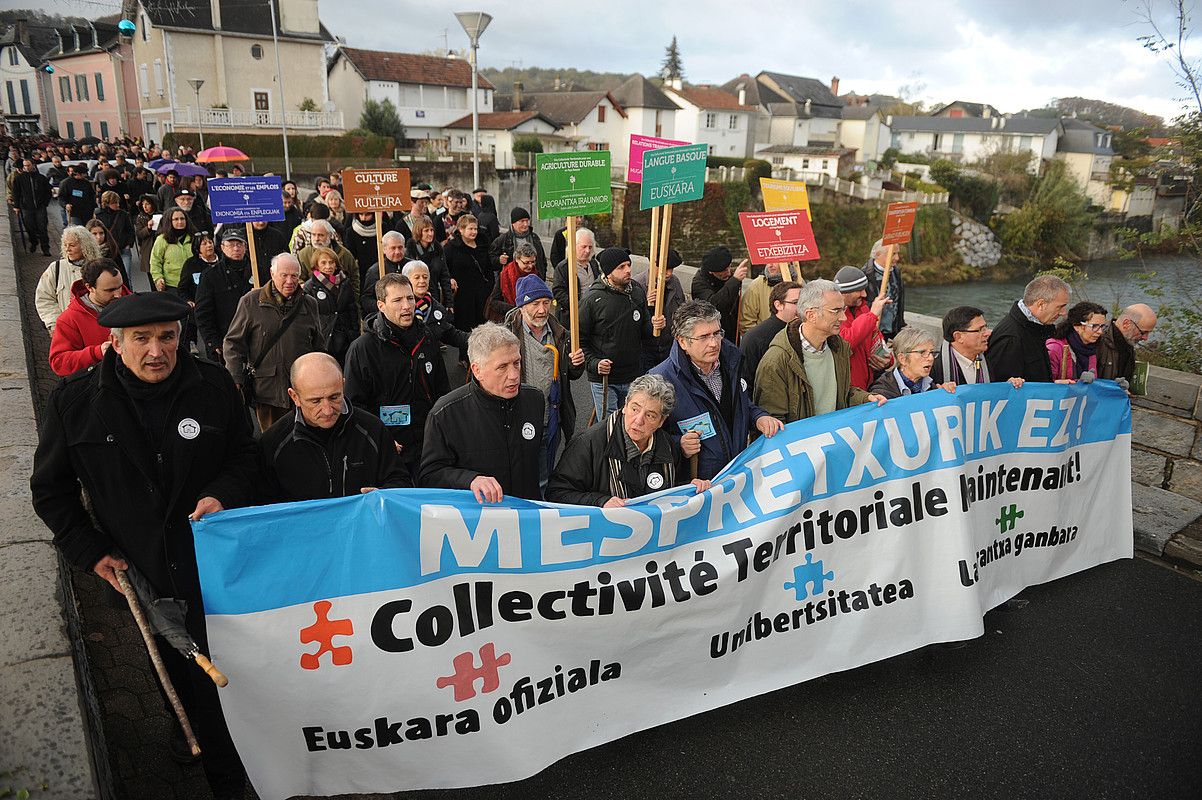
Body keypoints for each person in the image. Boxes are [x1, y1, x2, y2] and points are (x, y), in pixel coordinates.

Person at [31, 291, 256, 799]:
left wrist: (223, 493)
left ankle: (228, 775)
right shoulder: (74, 403)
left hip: (213, 570)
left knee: (220, 677)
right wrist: (89, 551)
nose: (157, 351)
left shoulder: (214, 387)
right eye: (142, 339)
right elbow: (51, 490)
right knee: (174, 668)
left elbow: (245, 458)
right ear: (114, 342)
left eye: (167, 338)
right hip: (141, 574)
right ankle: (187, 731)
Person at [650, 300, 781, 480]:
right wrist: (678, 444)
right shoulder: (661, 380)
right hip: (697, 487)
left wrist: (759, 416)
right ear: (682, 342)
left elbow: (740, 405)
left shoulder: (732, 362)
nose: (713, 343)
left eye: (717, 334)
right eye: (703, 337)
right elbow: (646, 436)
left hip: (738, 473)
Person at [258, 352, 411, 502]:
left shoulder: (372, 429)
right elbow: (262, 506)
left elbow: (400, 481)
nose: (327, 410)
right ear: (294, 397)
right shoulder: (273, 443)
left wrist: (384, 495)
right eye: (315, 401)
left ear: (343, 385)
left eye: (334, 397)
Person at [420, 323, 545, 502]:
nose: (514, 375)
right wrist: (470, 480)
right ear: (477, 370)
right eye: (502, 367)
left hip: (525, 517)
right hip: (477, 522)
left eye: (516, 363)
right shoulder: (445, 414)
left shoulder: (534, 400)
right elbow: (429, 475)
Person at [546, 374, 709, 506]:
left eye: (650, 415)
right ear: (625, 405)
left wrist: (690, 487)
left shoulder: (667, 445)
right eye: (635, 409)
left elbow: (674, 488)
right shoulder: (588, 443)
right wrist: (601, 502)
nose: (638, 420)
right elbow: (556, 493)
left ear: (661, 422)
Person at [344, 273, 449, 478]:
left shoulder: (427, 338)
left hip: (427, 448)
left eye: (410, 298)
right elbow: (353, 406)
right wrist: (379, 438)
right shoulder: (363, 349)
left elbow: (442, 391)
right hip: (388, 451)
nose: (407, 306)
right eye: (398, 300)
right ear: (381, 305)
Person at [754, 279, 887, 423]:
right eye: (836, 311)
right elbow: (772, 422)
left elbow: (843, 393)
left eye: (843, 309)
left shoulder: (839, 347)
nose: (843, 317)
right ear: (811, 315)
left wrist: (865, 398)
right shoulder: (777, 361)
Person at [223, 253, 325, 431]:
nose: (289, 281)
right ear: (272, 273)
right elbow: (233, 343)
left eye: (294, 275)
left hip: (303, 390)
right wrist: (235, 379)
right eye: (284, 275)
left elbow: (319, 346)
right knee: (272, 443)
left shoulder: (309, 303)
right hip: (267, 391)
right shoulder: (251, 302)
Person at [503, 274, 585, 488]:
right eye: (535, 303)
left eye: (546, 303)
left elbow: (573, 375)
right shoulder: (507, 335)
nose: (542, 310)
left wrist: (576, 364)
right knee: (517, 472)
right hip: (516, 416)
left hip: (551, 417)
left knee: (544, 474)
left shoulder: (562, 334)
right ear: (521, 306)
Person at [580, 247, 666, 419]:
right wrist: (595, 363)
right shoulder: (592, 300)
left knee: (630, 424)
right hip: (605, 379)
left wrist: (655, 326)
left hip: (633, 376)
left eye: (629, 265)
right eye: (621, 267)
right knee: (610, 428)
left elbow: (644, 332)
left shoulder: (636, 291)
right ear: (608, 272)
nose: (628, 270)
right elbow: (580, 342)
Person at [48, 258, 130, 376]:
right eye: (110, 290)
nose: (118, 294)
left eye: (120, 287)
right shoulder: (69, 319)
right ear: (90, 287)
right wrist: (97, 353)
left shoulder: (134, 305)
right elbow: (59, 362)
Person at [986, 275, 1070, 383]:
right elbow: (1002, 389)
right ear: (1041, 304)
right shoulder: (1011, 338)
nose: (1064, 313)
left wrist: (1052, 386)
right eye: (1060, 307)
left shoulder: (1035, 328)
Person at [194, 228, 254, 362]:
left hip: (255, 338)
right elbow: (203, 313)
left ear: (245, 247)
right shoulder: (210, 275)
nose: (236, 248)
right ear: (222, 247)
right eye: (231, 244)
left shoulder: (257, 270)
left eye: (239, 244)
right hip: (225, 339)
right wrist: (212, 342)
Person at [929, 306, 1024, 388]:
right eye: (980, 330)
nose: (988, 333)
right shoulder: (932, 370)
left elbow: (993, 391)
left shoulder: (988, 360)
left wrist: (1008, 385)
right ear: (958, 336)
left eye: (986, 327)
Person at [833, 264, 891, 391]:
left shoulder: (863, 308)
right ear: (844, 293)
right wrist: (872, 315)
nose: (864, 294)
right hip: (848, 390)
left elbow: (876, 339)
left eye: (864, 289)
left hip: (868, 385)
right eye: (859, 290)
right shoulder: (832, 314)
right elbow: (846, 342)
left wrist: (887, 360)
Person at [36, 226, 105, 331]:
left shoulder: (100, 268)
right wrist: (55, 324)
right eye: (65, 245)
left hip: (95, 328)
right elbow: (44, 298)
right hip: (66, 329)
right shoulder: (56, 268)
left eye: (72, 245)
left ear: (84, 246)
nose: (67, 249)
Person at [444, 214, 494, 359]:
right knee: (466, 324)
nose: (474, 232)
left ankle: (483, 354)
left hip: (482, 291)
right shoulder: (451, 248)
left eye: (475, 229)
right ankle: (465, 356)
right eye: (470, 229)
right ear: (461, 229)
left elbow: (489, 267)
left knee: (482, 322)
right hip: (463, 294)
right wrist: (450, 279)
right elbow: (445, 269)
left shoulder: (483, 245)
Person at [740, 280, 802, 393]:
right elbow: (745, 382)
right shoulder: (755, 338)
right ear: (778, 305)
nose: (801, 308)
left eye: (803, 302)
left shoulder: (805, 331)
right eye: (795, 302)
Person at [633, 247, 686, 371]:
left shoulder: (674, 282)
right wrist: (645, 302)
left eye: (671, 269)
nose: (669, 273)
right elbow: (631, 319)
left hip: (669, 346)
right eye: (666, 269)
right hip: (646, 350)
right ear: (653, 264)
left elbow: (682, 310)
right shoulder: (637, 284)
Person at [304, 245, 359, 363]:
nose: (328, 266)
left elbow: (352, 309)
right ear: (317, 265)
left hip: (346, 337)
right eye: (323, 263)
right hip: (325, 339)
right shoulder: (310, 286)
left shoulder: (345, 282)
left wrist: (354, 332)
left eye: (331, 262)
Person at [869, 326, 957, 398]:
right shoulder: (881, 392)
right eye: (922, 353)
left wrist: (946, 393)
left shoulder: (932, 386)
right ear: (902, 359)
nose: (930, 358)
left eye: (931, 352)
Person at [404, 260, 467, 350]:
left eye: (425, 277)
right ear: (407, 281)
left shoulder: (436, 307)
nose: (422, 281)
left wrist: (475, 339)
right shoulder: (401, 306)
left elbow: (449, 333)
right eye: (417, 277)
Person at [691, 245, 749, 342]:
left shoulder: (727, 277)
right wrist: (735, 280)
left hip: (732, 330)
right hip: (713, 334)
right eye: (724, 271)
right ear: (711, 272)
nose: (729, 273)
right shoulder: (699, 283)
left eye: (729, 267)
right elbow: (714, 305)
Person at [296, 219, 359, 298]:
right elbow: (298, 277)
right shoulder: (303, 254)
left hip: (342, 301)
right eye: (313, 235)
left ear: (330, 235)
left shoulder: (344, 254)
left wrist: (355, 299)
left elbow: (354, 277)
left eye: (320, 235)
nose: (316, 239)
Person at [551, 227, 600, 329]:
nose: (587, 251)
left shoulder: (593, 264)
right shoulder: (564, 267)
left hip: (593, 314)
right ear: (574, 246)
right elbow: (558, 292)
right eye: (584, 247)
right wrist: (577, 305)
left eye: (590, 247)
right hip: (571, 317)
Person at [1046, 301, 1108, 381]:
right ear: (1077, 326)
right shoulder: (1055, 349)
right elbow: (1044, 384)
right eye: (1094, 326)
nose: (1100, 331)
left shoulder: (1091, 349)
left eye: (1102, 326)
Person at [1097, 303, 1157, 383]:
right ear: (1126, 324)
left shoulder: (1128, 340)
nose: (1145, 338)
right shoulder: (1098, 340)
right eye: (1143, 332)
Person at [359, 230, 409, 317]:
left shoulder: (411, 266)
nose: (397, 252)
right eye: (393, 248)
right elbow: (366, 299)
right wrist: (385, 308)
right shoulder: (375, 271)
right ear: (384, 249)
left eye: (400, 247)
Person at [863, 238, 905, 339]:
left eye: (897, 253)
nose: (897, 258)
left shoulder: (896, 272)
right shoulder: (865, 275)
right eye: (892, 254)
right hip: (874, 331)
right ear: (878, 254)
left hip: (894, 330)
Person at [405, 216, 452, 308]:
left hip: (434, 297)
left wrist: (449, 303)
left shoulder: (438, 250)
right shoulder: (410, 250)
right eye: (426, 231)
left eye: (432, 230)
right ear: (419, 232)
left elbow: (445, 277)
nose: (430, 233)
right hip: (415, 299)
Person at [489, 206, 548, 279]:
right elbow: (490, 257)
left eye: (527, 221)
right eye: (522, 221)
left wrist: (542, 276)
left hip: (534, 278)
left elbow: (542, 260)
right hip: (512, 280)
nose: (525, 224)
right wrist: (499, 260)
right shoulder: (503, 239)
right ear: (513, 223)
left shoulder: (534, 238)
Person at [150, 206, 195, 295]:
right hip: (172, 285)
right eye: (176, 219)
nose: (180, 222)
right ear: (169, 222)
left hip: (194, 283)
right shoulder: (162, 239)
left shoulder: (194, 237)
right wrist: (158, 279)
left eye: (182, 218)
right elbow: (155, 261)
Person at [11, 158, 52, 256]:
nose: (26, 167)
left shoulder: (41, 178)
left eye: (28, 165)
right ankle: (33, 242)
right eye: (25, 166)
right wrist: (16, 206)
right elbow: (16, 193)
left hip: (40, 207)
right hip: (26, 207)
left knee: (42, 227)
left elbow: (48, 192)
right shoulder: (19, 179)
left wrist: (45, 203)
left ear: (33, 165)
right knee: (29, 227)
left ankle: (45, 247)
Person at [491, 240, 540, 319]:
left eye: (533, 262)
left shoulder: (536, 274)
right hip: (509, 318)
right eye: (526, 263)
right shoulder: (505, 275)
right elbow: (494, 302)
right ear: (517, 259)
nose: (530, 266)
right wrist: (516, 309)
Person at [96, 190, 136, 278]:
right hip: (107, 250)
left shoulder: (123, 214)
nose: (118, 205)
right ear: (107, 203)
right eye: (115, 202)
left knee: (126, 276)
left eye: (118, 202)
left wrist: (128, 244)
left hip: (123, 248)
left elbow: (130, 230)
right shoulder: (98, 215)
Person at [738, 262, 785, 338]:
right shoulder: (756, 285)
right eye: (767, 261)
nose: (770, 265)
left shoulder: (798, 281)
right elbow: (746, 321)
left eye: (774, 261)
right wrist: (761, 340)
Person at [134, 194, 159, 281]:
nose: (145, 206)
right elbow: (139, 233)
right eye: (143, 204)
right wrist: (148, 228)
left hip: (159, 245)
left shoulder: (161, 215)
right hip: (147, 248)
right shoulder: (141, 217)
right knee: (151, 275)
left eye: (147, 204)